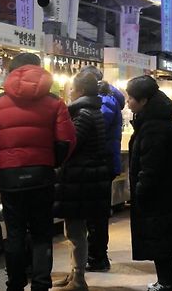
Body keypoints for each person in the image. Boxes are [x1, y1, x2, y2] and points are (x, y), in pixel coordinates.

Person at [0, 53, 76, 291]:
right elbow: (68, 141)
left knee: (15, 233)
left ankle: (16, 284)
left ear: (11, 72)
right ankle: (41, 284)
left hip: (10, 178)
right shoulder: (55, 103)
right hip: (42, 177)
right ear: (39, 71)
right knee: (42, 233)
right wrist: (51, 162)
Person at [126, 75, 172, 291]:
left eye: (130, 98)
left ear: (144, 100)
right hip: (167, 193)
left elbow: (151, 166)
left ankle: (166, 283)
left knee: (161, 240)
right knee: (163, 240)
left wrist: (140, 189)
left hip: (159, 194)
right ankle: (166, 281)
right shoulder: (157, 121)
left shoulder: (153, 127)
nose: (127, 102)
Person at [53, 72, 112, 291]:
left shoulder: (83, 114)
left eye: (71, 89)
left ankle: (78, 279)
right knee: (75, 230)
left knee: (75, 231)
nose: (69, 92)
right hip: (86, 177)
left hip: (81, 178)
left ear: (80, 91)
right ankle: (74, 274)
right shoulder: (92, 110)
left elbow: (71, 144)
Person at [79, 65, 124, 271]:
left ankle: (97, 257)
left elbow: (95, 130)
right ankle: (97, 256)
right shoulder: (108, 98)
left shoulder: (105, 101)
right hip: (104, 161)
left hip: (102, 162)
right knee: (97, 212)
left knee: (96, 213)